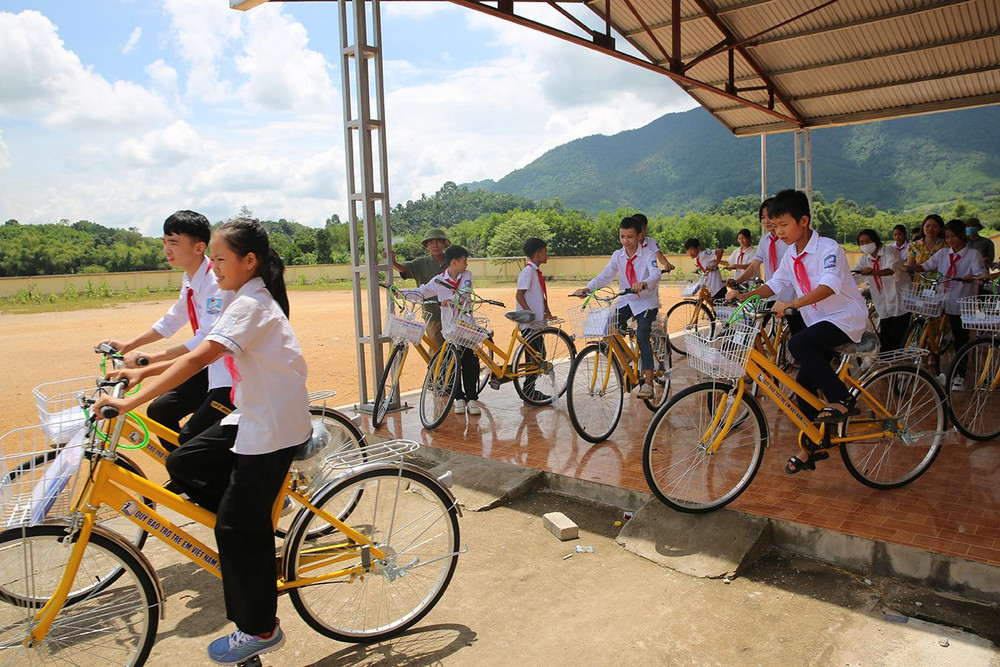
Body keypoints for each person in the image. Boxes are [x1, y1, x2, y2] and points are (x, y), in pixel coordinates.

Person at [95, 217, 310, 665]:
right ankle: (248, 523)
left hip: (272, 425)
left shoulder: (250, 304)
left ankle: (260, 629)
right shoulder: (237, 296)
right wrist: (140, 370)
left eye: (220, 258)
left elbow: (198, 358)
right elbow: (194, 346)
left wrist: (129, 400)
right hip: (253, 413)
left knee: (234, 528)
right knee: (184, 462)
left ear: (249, 261)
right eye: (211, 258)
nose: (214, 266)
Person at [734, 189, 868, 474]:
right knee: (802, 388)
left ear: (803, 221)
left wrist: (793, 303)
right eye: (774, 226)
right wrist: (745, 296)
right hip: (819, 322)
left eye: (784, 225)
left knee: (798, 344)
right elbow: (775, 284)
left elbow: (828, 286)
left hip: (844, 318)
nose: (778, 232)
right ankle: (814, 446)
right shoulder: (791, 255)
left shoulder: (828, 249)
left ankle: (842, 398)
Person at [97, 210, 233, 449]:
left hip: (224, 369)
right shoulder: (191, 278)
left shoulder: (215, 282)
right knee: (160, 410)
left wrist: (152, 359)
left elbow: (207, 340)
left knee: (193, 439)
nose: (166, 249)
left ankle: (191, 467)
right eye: (164, 242)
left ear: (199, 247)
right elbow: (172, 319)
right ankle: (181, 467)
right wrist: (130, 345)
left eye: (174, 243)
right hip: (208, 365)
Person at [572, 216, 662, 399]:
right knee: (608, 329)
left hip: (646, 302)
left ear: (639, 236)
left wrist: (644, 282)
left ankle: (648, 383)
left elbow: (656, 273)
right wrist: (588, 288)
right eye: (622, 236)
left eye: (630, 237)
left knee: (642, 335)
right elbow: (605, 275)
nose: (625, 241)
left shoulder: (648, 255)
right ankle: (627, 358)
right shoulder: (618, 255)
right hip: (626, 300)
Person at [909, 219, 987, 391]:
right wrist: (910, 268)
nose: (950, 240)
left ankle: (960, 376)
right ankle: (934, 359)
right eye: (947, 237)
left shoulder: (973, 255)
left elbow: (981, 274)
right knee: (932, 329)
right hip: (941, 298)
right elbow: (926, 266)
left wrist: (972, 277)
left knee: (961, 339)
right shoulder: (943, 253)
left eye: (953, 236)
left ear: (962, 235)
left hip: (961, 301)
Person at [410, 245, 483, 416]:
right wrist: (401, 293)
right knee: (452, 362)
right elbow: (422, 292)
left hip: (466, 327)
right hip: (450, 329)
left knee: (470, 362)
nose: (466, 264)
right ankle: (459, 398)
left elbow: (465, 292)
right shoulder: (439, 280)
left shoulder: (466, 275)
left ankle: (472, 398)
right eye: (464, 261)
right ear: (454, 262)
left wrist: (450, 299)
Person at [391, 228, 450, 351]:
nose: (435, 245)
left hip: (453, 314)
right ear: (426, 245)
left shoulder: (452, 262)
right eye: (431, 242)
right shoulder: (420, 263)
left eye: (438, 241)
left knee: (456, 348)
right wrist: (393, 262)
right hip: (433, 314)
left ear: (445, 243)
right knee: (437, 350)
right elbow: (403, 269)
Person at [854, 229, 910, 351]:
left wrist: (872, 272)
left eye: (867, 241)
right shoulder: (864, 259)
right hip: (882, 299)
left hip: (898, 296)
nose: (864, 245)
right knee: (885, 331)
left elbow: (890, 270)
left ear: (875, 240)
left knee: (898, 332)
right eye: (861, 243)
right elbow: (856, 275)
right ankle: (887, 358)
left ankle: (897, 358)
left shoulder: (890, 252)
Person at [516, 237, 553, 401]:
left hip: (535, 324)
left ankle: (528, 389)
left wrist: (547, 312)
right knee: (535, 357)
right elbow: (519, 295)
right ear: (537, 254)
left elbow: (540, 296)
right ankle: (528, 390)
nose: (547, 254)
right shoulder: (528, 272)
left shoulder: (535, 272)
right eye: (545, 252)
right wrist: (529, 313)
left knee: (537, 355)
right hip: (529, 324)